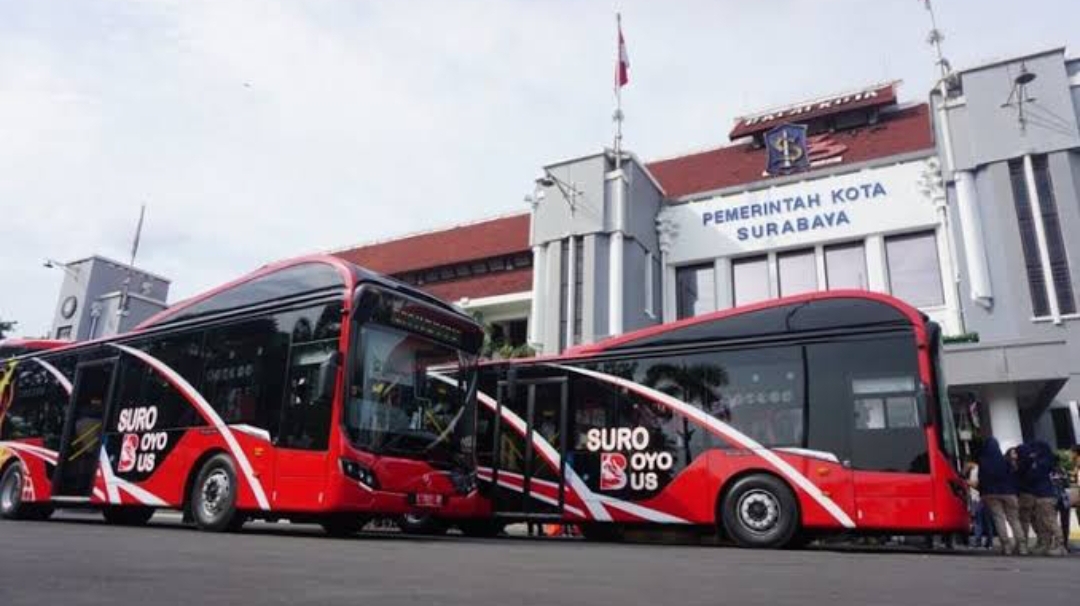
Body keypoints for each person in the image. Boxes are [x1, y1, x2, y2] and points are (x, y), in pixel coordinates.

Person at [978, 438, 1026, 555]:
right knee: (1014, 519)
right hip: (1009, 493)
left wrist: (982, 493)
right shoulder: (1005, 460)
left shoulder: (983, 461)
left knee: (999, 519)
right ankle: (1022, 545)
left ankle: (1006, 546)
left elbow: (981, 479)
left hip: (991, 494)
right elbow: (1013, 476)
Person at [1019, 441, 1065, 556]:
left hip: (1045, 495)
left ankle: (1060, 545)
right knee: (1041, 521)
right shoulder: (1048, 460)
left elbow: (1033, 475)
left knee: (1049, 521)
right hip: (1042, 494)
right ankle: (1045, 544)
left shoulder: (1042, 462)